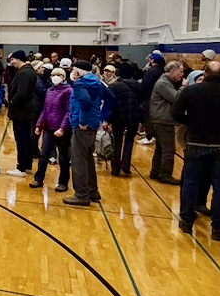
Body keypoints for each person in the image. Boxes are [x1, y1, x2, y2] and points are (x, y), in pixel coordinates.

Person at [171, 60, 220, 240]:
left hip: (196, 143)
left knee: (191, 182)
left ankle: (187, 221)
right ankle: (219, 227)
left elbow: (175, 113)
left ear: (204, 73)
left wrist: (192, 122)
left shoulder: (190, 91)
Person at [62, 60, 114, 207]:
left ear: (77, 72)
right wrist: (103, 117)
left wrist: (83, 121)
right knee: (88, 159)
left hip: (82, 126)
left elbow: (85, 101)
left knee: (78, 160)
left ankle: (81, 195)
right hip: (93, 124)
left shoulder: (80, 84)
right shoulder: (97, 82)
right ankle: (92, 191)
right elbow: (111, 99)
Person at [31, 67, 71, 190]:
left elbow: (69, 111)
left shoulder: (68, 91)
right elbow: (45, 110)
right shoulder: (49, 90)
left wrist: (62, 128)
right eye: (54, 74)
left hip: (61, 130)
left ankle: (63, 183)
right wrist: (39, 125)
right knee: (44, 154)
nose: (56, 77)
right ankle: (38, 179)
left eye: (58, 75)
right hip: (48, 128)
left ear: (64, 77)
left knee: (63, 157)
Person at [102, 64, 142, 177]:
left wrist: (106, 119)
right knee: (129, 140)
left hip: (118, 117)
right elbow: (141, 101)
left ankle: (115, 168)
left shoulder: (114, 86)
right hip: (134, 116)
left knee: (117, 141)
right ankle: (126, 166)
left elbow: (110, 104)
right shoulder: (138, 85)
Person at [148, 61, 184, 184]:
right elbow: (176, 99)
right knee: (168, 149)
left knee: (160, 148)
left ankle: (156, 171)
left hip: (160, 118)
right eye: (180, 72)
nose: (182, 75)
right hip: (163, 120)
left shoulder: (165, 82)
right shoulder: (163, 83)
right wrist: (184, 86)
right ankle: (165, 174)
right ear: (172, 71)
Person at [5, 51, 39, 177]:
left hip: (21, 111)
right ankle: (27, 165)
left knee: (21, 139)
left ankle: (21, 167)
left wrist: (11, 102)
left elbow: (21, 93)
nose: (11, 62)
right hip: (27, 110)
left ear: (19, 59)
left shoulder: (24, 73)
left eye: (13, 59)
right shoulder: (30, 71)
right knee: (26, 139)